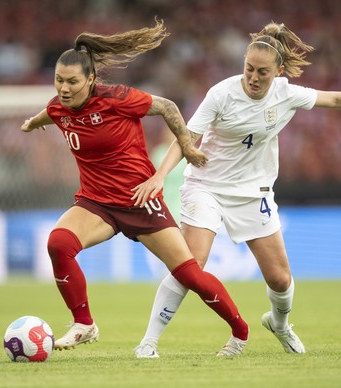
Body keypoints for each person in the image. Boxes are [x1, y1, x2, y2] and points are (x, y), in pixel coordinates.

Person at [131, 22, 341, 357]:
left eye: (262, 72)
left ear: (279, 72)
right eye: (248, 69)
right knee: (190, 264)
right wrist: (159, 176)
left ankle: (280, 324)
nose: (253, 78)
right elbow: (187, 136)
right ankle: (148, 343)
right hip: (206, 187)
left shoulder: (286, 94)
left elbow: (336, 98)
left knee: (280, 279)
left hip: (253, 192)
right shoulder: (221, 93)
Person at [20, 20, 250, 357]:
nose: (64, 89)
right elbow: (51, 112)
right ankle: (84, 323)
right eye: (59, 81)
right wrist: (32, 123)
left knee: (190, 275)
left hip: (141, 201)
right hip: (97, 204)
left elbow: (168, 107)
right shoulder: (59, 106)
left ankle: (240, 332)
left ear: (91, 80)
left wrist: (186, 147)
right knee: (59, 243)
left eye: (72, 82)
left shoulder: (116, 99)